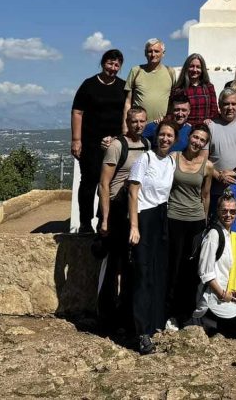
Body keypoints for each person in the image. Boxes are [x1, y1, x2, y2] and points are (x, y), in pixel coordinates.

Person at [97, 106, 150, 333]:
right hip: (117, 210)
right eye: (134, 121)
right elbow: (104, 184)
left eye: (142, 121)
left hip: (135, 209)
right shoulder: (118, 146)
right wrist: (105, 219)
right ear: (127, 122)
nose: (138, 125)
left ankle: (127, 314)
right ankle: (106, 315)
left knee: (130, 265)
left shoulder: (147, 145)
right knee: (113, 265)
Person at [128, 119, 178, 355]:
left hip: (161, 217)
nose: (166, 139)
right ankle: (141, 332)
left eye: (170, 136)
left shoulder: (170, 161)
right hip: (144, 218)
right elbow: (133, 191)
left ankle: (154, 323)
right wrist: (134, 226)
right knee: (142, 274)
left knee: (157, 273)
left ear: (175, 140)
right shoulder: (144, 159)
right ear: (156, 136)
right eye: (163, 134)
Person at [165, 125, 216, 328]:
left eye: (202, 140)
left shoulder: (208, 166)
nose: (197, 142)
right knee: (172, 268)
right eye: (195, 137)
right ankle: (168, 312)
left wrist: (204, 222)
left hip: (195, 221)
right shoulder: (173, 158)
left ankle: (185, 314)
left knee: (190, 270)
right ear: (189, 137)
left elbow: (206, 194)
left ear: (205, 144)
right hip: (173, 218)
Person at [71, 49, 126, 232]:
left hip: (115, 143)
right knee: (89, 182)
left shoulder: (123, 87)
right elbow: (78, 112)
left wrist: (119, 139)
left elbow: (127, 113)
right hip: (91, 142)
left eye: (117, 64)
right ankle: (85, 223)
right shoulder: (89, 85)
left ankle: (105, 221)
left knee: (109, 184)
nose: (113, 68)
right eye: (110, 63)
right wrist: (76, 140)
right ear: (103, 63)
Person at [191, 192, 236, 340]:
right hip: (211, 300)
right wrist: (223, 294)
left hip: (223, 297)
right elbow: (205, 273)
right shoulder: (214, 235)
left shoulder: (229, 235)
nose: (228, 215)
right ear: (218, 211)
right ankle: (204, 320)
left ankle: (213, 324)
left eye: (232, 211)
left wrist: (233, 292)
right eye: (224, 211)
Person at [123, 38, 177, 130]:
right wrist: (125, 127)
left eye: (156, 51)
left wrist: (168, 118)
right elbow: (128, 102)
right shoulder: (136, 71)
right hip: (138, 127)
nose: (153, 54)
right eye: (150, 51)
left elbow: (173, 101)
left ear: (163, 53)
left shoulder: (170, 72)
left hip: (162, 127)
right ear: (145, 53)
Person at [172, 53, 219, 128]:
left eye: (198, 67)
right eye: (191, 66)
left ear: (202, 69)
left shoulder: (209, 87)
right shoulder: (178, 89)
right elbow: (172, 113)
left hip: (204, 130)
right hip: (185, 130)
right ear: (186, 68)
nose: (194, 70)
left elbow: (214, 111)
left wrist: (210, 120)